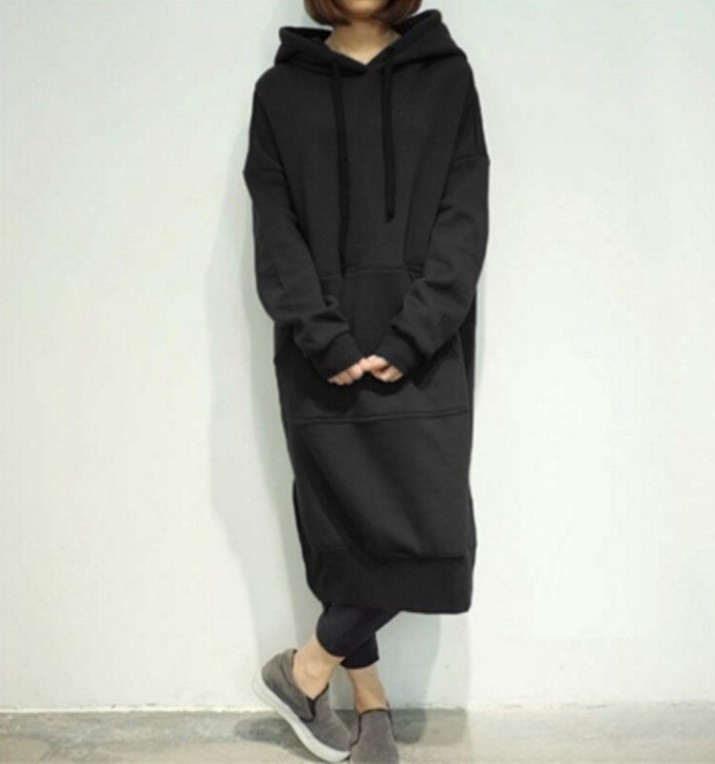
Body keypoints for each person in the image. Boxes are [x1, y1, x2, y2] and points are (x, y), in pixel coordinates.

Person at [242, 0, 490, 761]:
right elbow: (274, 226)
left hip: (427, 347)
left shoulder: (447, 77)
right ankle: (370, 701)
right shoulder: (279, 91)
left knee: (433, 543)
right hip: (321, 353)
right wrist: (324, 336)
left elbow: (464, 214)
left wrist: (414, 333)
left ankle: (305, 670)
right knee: (346, 536)